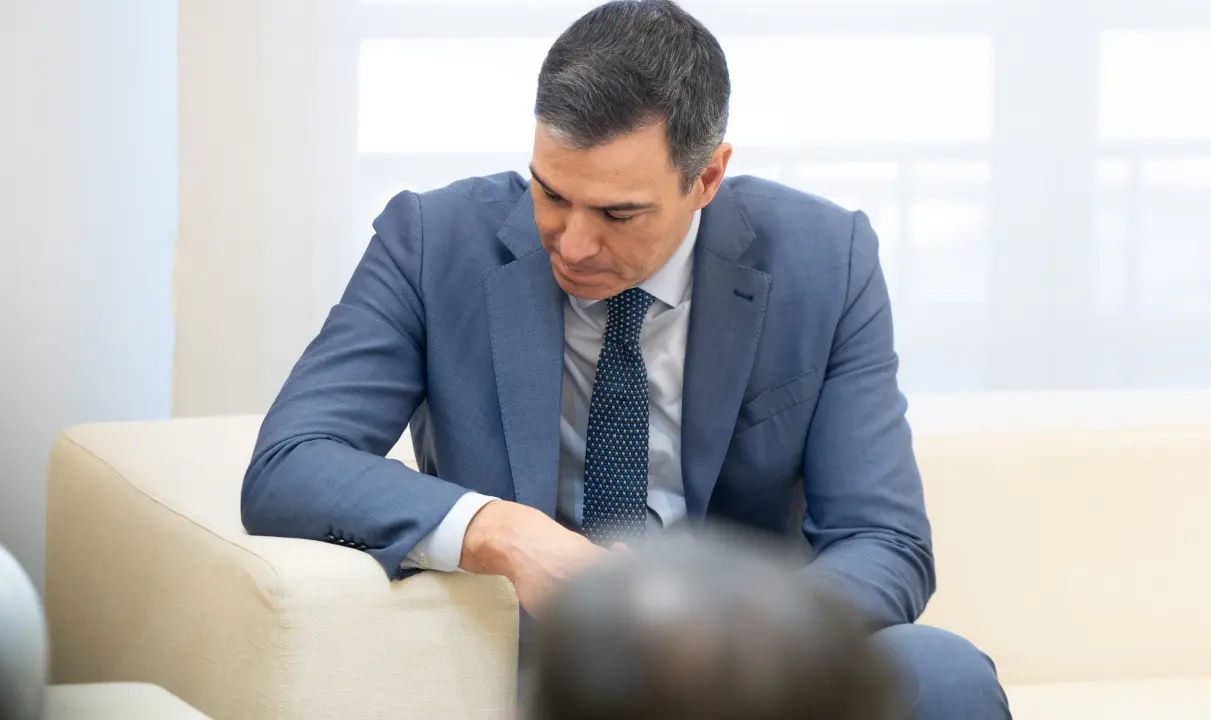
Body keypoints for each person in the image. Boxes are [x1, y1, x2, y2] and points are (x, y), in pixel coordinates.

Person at [241, 1, 1009, 717]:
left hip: (748, 674)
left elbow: (884, 542)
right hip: (538, 667)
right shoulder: (431, 242)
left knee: (944, 673)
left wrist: (733, 641)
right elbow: (291, 462)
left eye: (619, 213)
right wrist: (505, 535)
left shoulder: (825, 260)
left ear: (707, 178)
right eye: (551, 194)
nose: (573, 244)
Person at [526, 535, 900, 720]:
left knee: (927, 661)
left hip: (757, 626)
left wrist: (759, 624)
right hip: (557, 639)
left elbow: (882, 538)